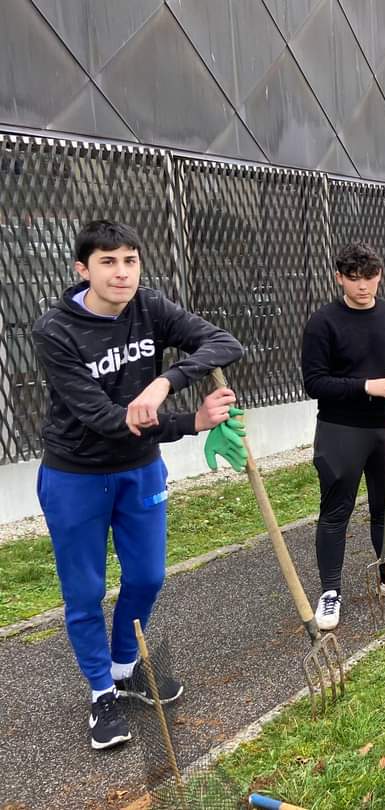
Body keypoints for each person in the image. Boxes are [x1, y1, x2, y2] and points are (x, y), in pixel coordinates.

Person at [32, 220, 244, 750]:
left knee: (147, 577)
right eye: (108, 262)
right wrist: (190, 424)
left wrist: (166, 380)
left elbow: (224, 342)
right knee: (85, 592)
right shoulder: (54, 331)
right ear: (83, 269)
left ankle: (127, 669)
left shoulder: (149, 307)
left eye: (130, 260)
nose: (122, 273)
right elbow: (103, 417)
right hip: (75, 475)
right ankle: (102, 694)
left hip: (140, 469)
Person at [301, 241, 385, 633]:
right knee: (336, 511)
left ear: (380, 276)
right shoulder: (323, 322)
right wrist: (367, 386)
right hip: (341, 430)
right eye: (354, 279)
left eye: (370, 277)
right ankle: (329, 592)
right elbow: (314, 382)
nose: (363, 286)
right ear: (339, 277)